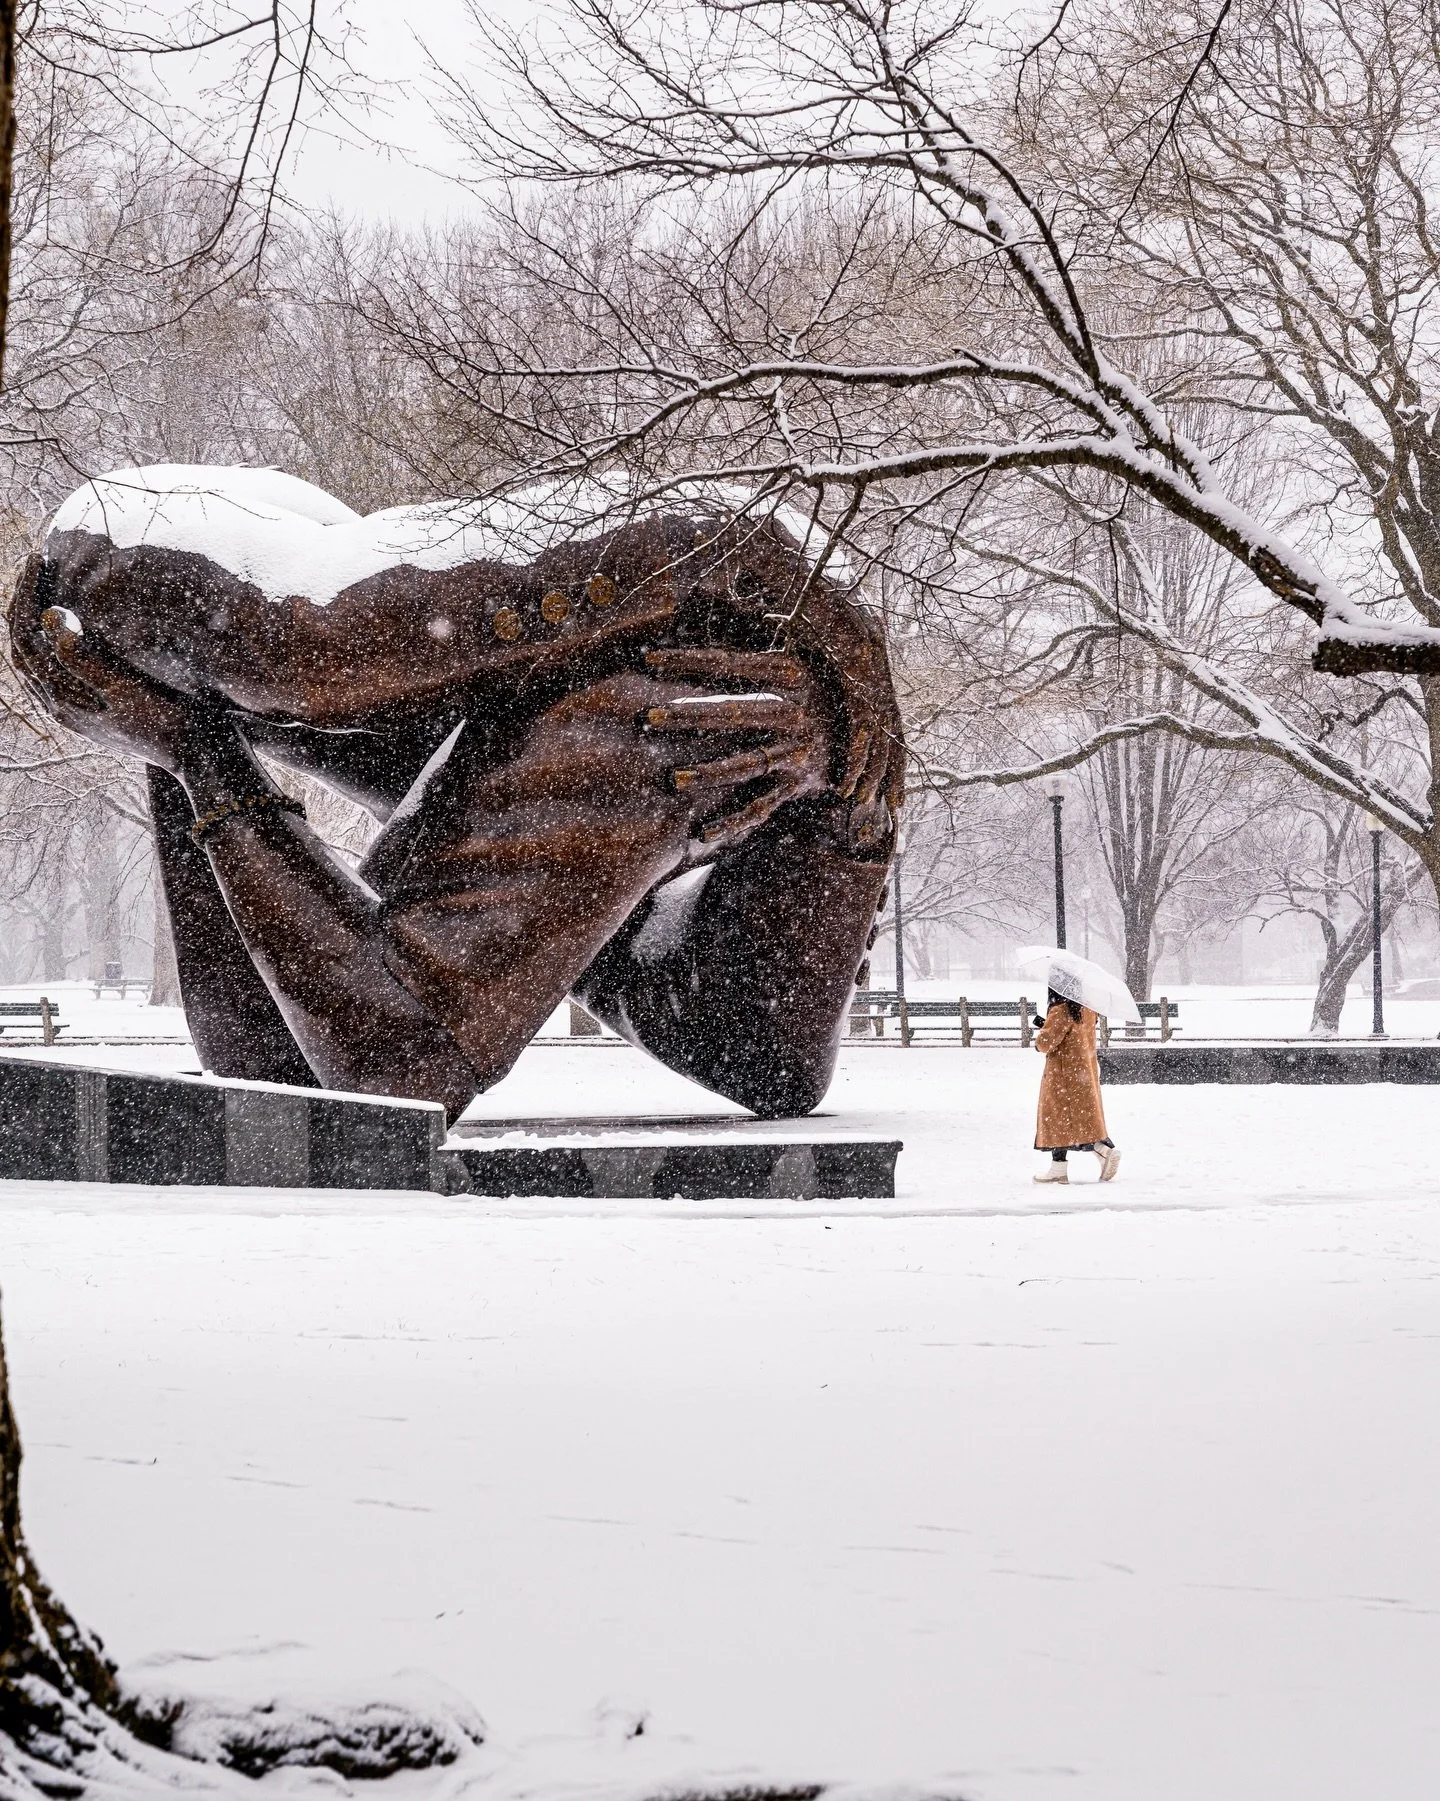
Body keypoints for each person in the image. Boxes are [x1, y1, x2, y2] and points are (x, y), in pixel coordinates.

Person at [9, 466, 905, 1122]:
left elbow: (333, 1060)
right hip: (132, 556)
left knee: (322, 659)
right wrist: (186, 745)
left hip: (725, 651)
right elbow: (381, 1062)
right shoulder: (671, 732)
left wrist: (188, 748)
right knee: (317, 645)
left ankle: (179, 659)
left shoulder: (686, 759)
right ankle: (175, 644)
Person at [1032, 988, 1120, 1184]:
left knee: (1057, 1120)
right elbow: (1072, 1033)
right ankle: (1101, 1150)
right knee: (1082, 1118)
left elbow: (1045, 1043)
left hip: (1062, 1074)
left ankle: (1099, 1151)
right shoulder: (1088, 1008)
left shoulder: (1061, 1009)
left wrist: (1041, 1034)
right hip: (1084, 1072)